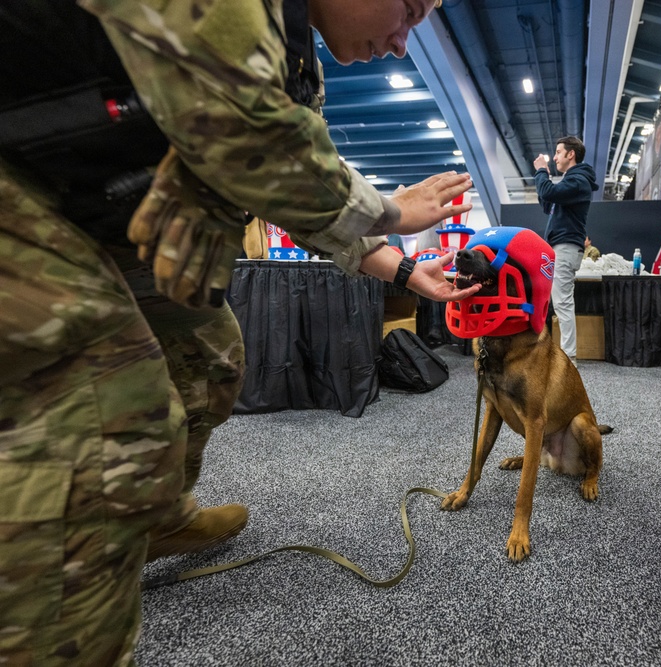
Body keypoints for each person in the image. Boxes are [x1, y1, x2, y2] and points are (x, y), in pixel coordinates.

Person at [0, 0, 480, 664]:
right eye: (410, 8)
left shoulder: (296, 54)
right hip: (25, 186)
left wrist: (405, 270)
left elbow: (302, 202)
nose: (403, 43)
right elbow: (257, 143)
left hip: (91, 199)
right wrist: (394, 211)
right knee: (105, 405)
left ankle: (156, 516)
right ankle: (58, 621)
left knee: (209, 357)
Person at [532, 136, 598, 365]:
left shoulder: (579, 180)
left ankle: (569, 358)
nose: (555, 157)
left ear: (571, 154)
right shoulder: (571, 182)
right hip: (559, 247)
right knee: (558, 302)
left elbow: (549, 193)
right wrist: (545, 177)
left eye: (559, 152)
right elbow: (547, 203)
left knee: (562, 303)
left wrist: (542, 172)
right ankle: (562, 354)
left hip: (565, 247)